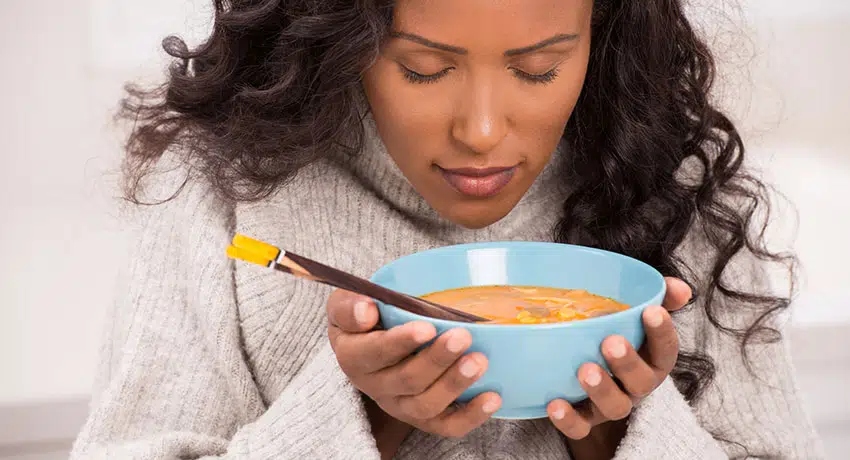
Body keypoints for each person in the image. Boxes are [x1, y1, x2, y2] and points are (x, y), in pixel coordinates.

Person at [71, 0, 824, 459]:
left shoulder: (676, 194)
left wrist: (617, 438)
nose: (483, 132)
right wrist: (363, 415)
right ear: (343, 37)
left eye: (538, 68)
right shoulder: (224, 200)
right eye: (426, 69)